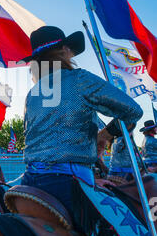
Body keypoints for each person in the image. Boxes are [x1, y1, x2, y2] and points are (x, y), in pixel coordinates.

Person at [19, 26, 143, 220]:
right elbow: (133, 111)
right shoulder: (79, 79)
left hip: (29, 184)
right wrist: (105, 135)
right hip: (69, 184)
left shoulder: (32, 95)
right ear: (64, 51)